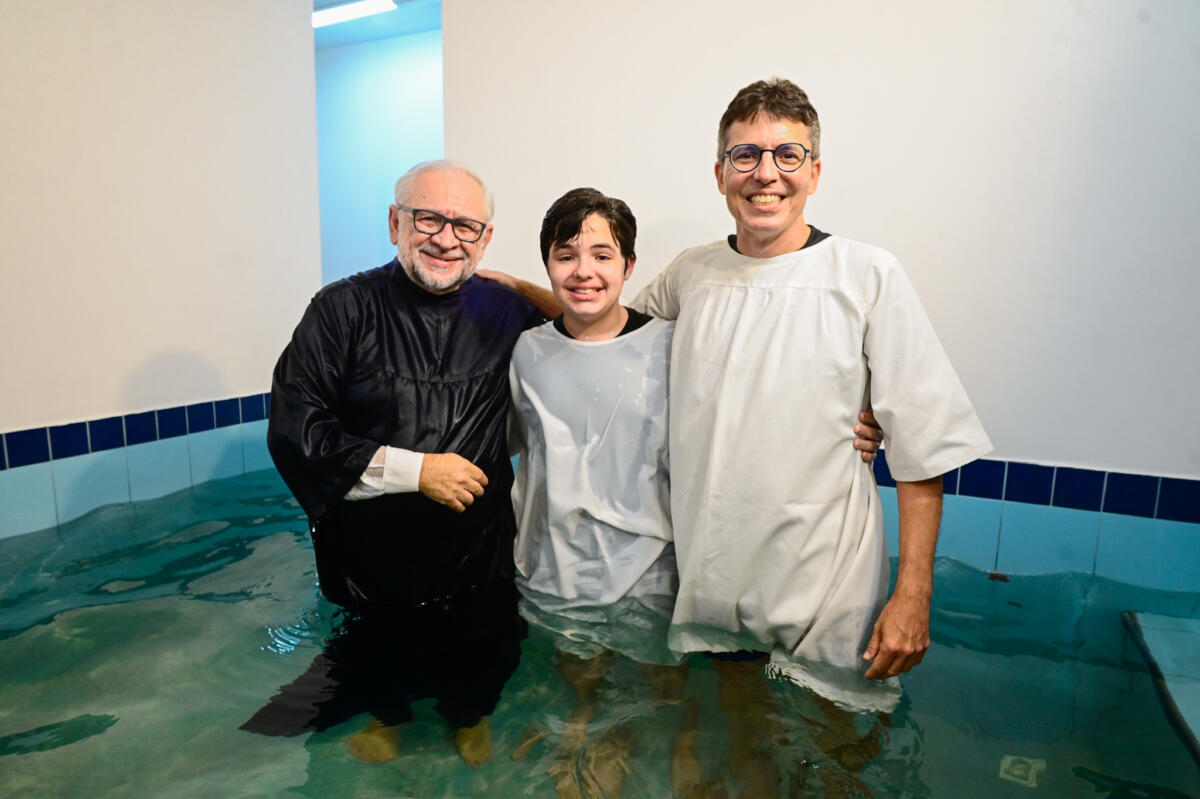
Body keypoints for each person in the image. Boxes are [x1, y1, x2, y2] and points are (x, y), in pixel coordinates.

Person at [629, 78, 993, 705]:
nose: (766, 173)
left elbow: (922, 448)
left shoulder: (866, 275)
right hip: (715, 575)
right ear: (720, 174)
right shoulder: (692, 273)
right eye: (746, 155)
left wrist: (912, 595)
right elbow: (607, 335)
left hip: (829, 586)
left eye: (787, 155)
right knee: (740, 731)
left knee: (839, 741)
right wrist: (510, 294)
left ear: (815, 172)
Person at [244, 160, 545, 766]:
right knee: (376, 654)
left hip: (478, 551)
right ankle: (389, 715)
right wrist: (418, 471)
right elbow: (296, 430)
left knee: (482, 650)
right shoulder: (341, 310)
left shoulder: (507, 312)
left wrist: (521, 286)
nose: (446, 238)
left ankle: (468, 716)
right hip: (373, 560)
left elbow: (592, 324)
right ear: (394, 223)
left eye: (465, 226)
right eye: (428, 218)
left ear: (486, 238)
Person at [506, 188, 681, 798]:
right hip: (554, 563)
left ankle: (620, 747)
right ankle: (576, 731)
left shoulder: (669, 345)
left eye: (603, 256)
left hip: (648, 570)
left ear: (629, 266)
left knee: (647, 701)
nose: (584, 271)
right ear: (548, 265)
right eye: (566, 255)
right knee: (575, 683)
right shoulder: (528, 351)